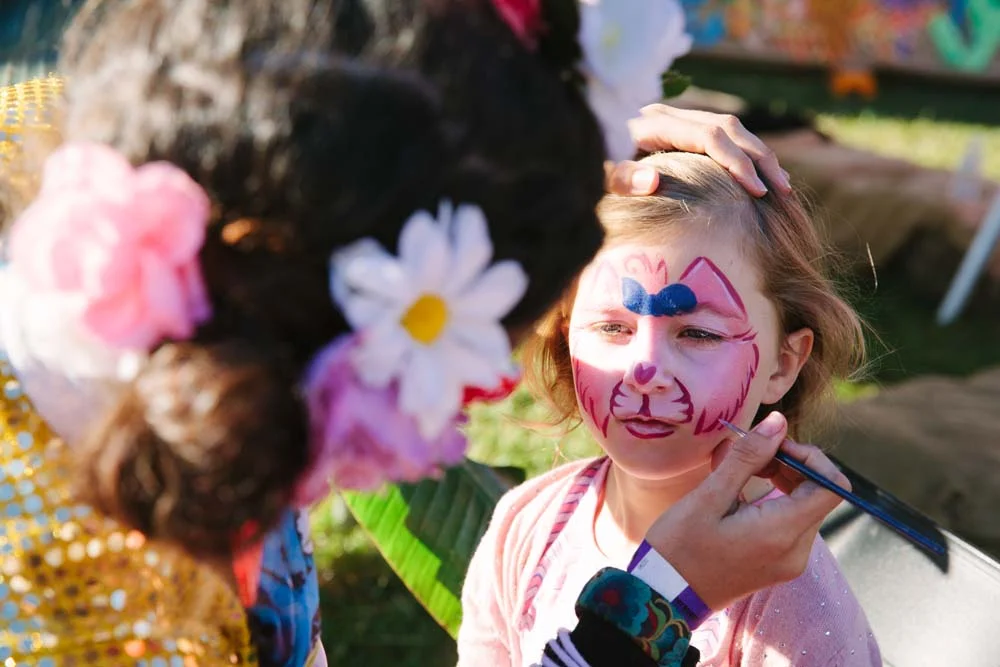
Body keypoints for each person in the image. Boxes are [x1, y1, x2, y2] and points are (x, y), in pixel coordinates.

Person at [0, 1, 850, 665]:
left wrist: (510, 144)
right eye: (451, 338)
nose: (645, 369)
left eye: (698, 332)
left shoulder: (89, 139)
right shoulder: (75, 619)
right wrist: (656, 603)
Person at [458, 151, 883, 666]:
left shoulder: (784, 594)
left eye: (698, 333)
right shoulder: (525, 527)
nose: (646, 369)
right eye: (614, 327)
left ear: (783, 363)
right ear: (566, 332)